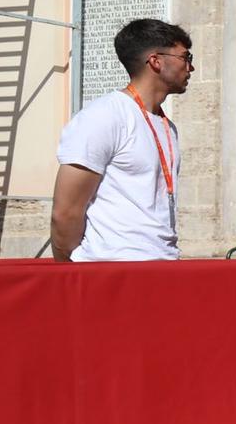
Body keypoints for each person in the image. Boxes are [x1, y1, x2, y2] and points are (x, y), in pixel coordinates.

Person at [52, 18, 194, 262]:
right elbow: (65, 212)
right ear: (156, 61)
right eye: (185, 57)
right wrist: (71, 273)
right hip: (112, 269)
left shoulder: (166, 125)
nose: (191, 68)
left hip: (163, 265)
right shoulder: (104, 116)